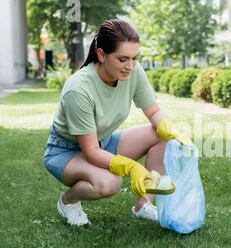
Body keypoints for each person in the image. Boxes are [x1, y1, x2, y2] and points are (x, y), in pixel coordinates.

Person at [43, 19, 190, 226]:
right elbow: (91, 151)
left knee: (162, 135)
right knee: (110, 182)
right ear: (102, 55)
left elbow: (153, 111)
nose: (130, 66)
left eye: (134, 58)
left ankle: (143, 204)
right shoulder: (78, 90)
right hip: (66, 152)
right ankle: (68, 201)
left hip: (104, 142)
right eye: (122, 59)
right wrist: (131, 168)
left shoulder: (133, 72)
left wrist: (171, 128)